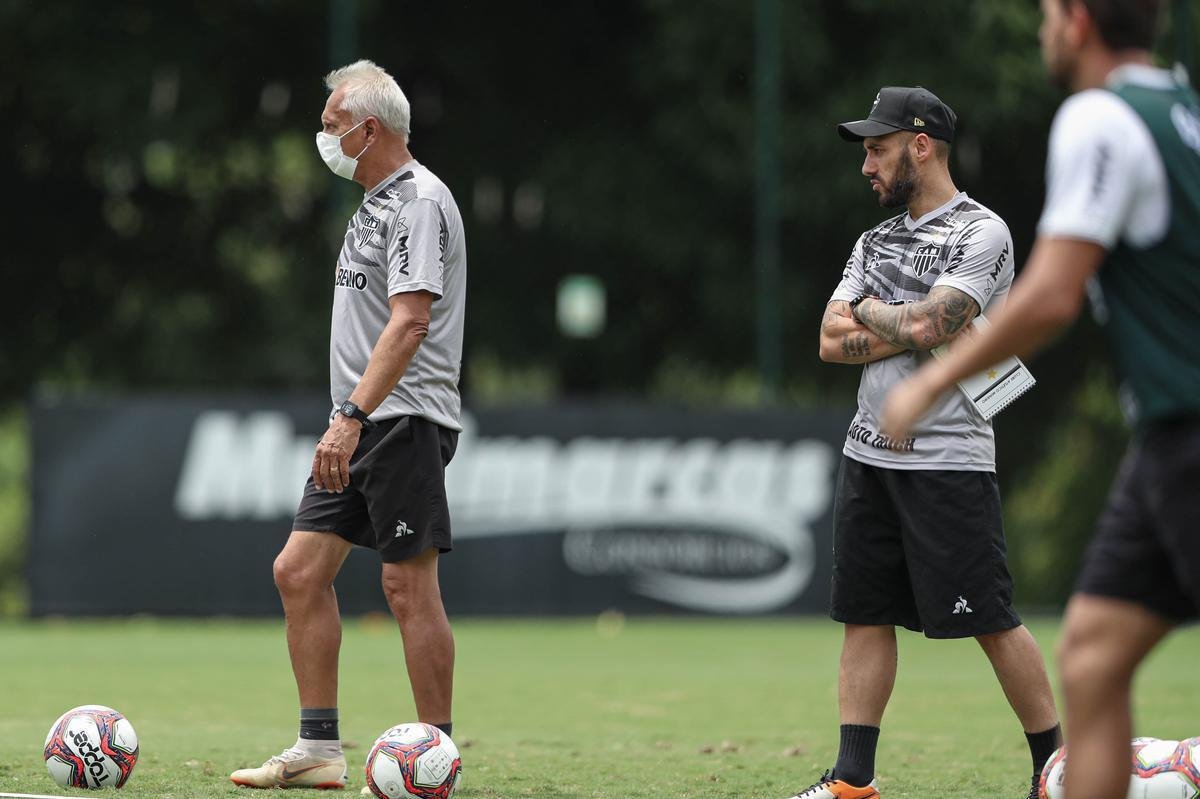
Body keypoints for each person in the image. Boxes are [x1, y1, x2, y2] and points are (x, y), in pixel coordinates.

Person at [881, 2, 1200, 798]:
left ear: (1080, 21)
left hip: (1190, 429)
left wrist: (930, 380)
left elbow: (1054, 293)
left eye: (1050, 13)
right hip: (1164, 438)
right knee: (1091, 653)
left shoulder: (1099, 117)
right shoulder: (1182, 109)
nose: (1041, 30)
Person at [795, 86, 1061, 799]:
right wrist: (906, 321)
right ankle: (852, 779)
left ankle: (1054, 770)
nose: (866, 167)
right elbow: (829, 341)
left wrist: (874, 311)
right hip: (867, 453)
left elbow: (931, 326)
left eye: (877, 150)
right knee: (863, 616)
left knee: (992, 621)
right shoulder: (872, 240)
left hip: (949, 460)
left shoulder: (983, 232)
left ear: (921, 147)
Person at [229, 59, 467, 790]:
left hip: (400, 417)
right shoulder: (376, 202)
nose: (323, 136)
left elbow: (412, 320)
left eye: (332, 124)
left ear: (368, 129)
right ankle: (319, 749)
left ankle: (435, 758)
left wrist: (353, 415)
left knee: (407, 586)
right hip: (359, 419)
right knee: (298, 572)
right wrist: (348, 417)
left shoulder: (419, 201)